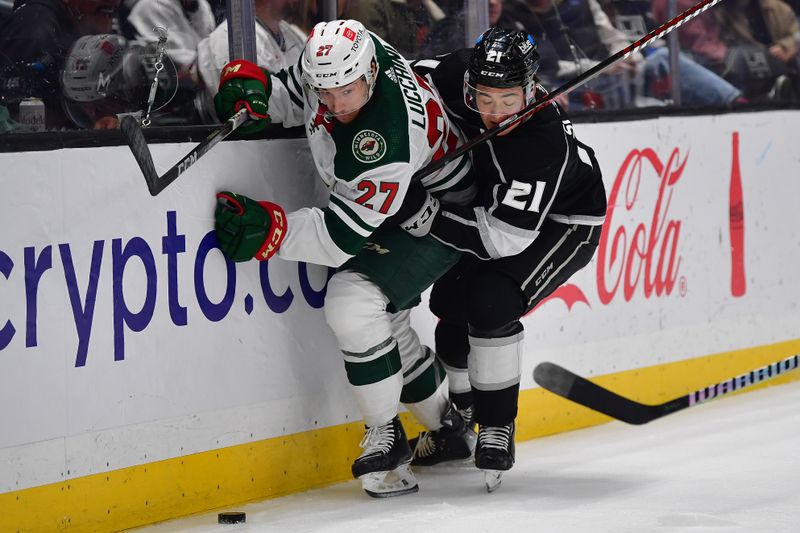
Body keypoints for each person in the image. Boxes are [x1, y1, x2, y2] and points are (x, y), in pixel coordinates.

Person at [210, 19, 476, 497]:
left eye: (347, 93)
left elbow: (337, 238)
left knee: (352, 303)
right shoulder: (344, 54)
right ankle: (449, 427)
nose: (335, 105)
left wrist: (273, 231)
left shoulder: (385, 141)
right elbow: (298, 94)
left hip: (441, 215)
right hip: (408, 201)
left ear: (370, 74)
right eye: (325, 91)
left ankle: (387, 440)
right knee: (385, 322)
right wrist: (262, 91)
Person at [403, 27, 606, 490]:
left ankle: (496, 425)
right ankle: (459, 423)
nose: (494, 113)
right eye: (485, 99)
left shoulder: (541, 143)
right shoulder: (461, 74)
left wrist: (425, 215)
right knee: (448, 308)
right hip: (495, 209)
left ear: (531, 90)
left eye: (509, 100)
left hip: (564, 221)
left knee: (491, 300)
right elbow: (414, 78)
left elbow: (502, 241)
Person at [0, 0, 121, 128]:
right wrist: (91, 123)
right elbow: (20, 122)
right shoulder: (34, 30)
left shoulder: (73, 22)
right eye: (104, 10)